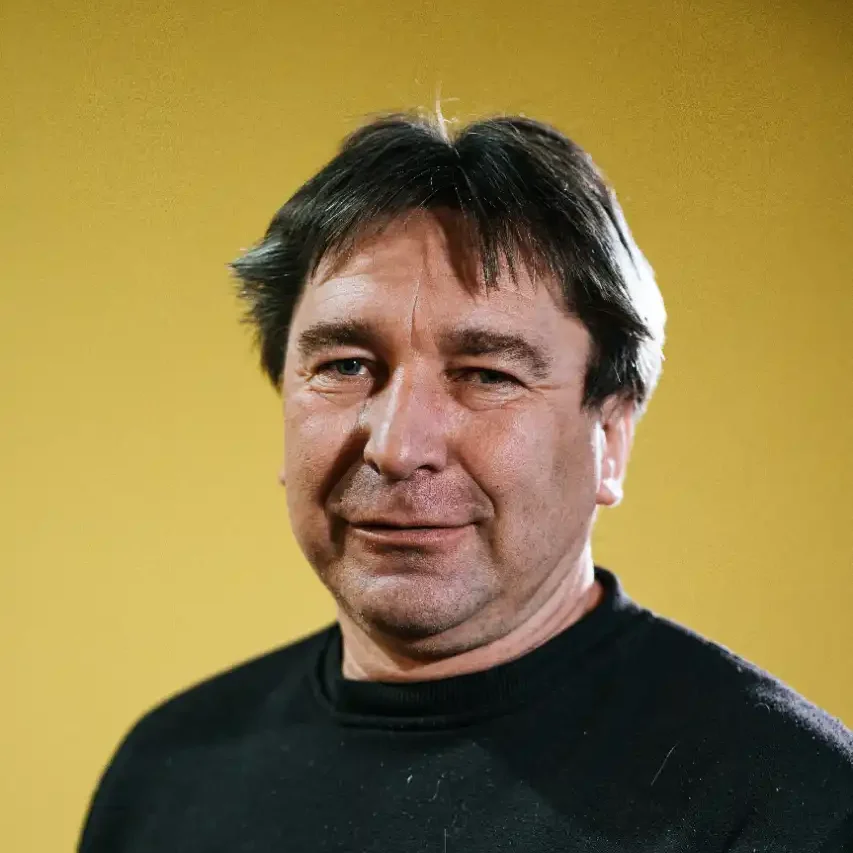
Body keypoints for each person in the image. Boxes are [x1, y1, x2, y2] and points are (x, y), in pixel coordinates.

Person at [78, 111, 853, 852]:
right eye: (345, 366)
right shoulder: (165, 773)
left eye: (486, 375)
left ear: (610, 438)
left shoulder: (790, 802)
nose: (395, 446)